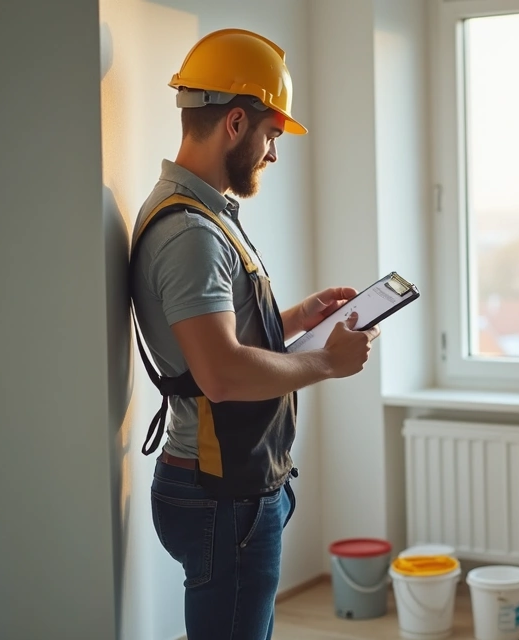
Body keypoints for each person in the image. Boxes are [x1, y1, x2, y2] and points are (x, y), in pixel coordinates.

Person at [128, 28, 380, 639]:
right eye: (271, 134)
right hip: (221, 494)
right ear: (235, 124)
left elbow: (217, 342)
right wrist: (327, 364)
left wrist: (298, 319)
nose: (273, 153)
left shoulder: (202, 216)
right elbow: (221, 373)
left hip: (229, 488)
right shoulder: (192, 233)